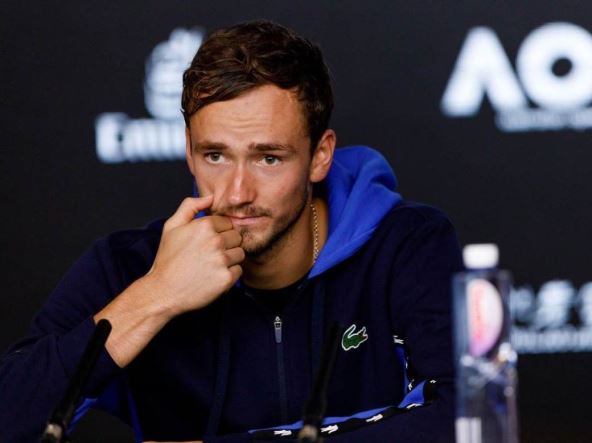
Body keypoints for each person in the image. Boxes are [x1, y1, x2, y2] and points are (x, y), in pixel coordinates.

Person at [0, 20, 463, 442]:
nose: (238, 193)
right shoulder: (128, 266)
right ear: (188, 151)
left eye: (268, 158)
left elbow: (464, 416)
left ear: (320, 156)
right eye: (216, 156)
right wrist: (157, 295)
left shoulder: (406, 245)